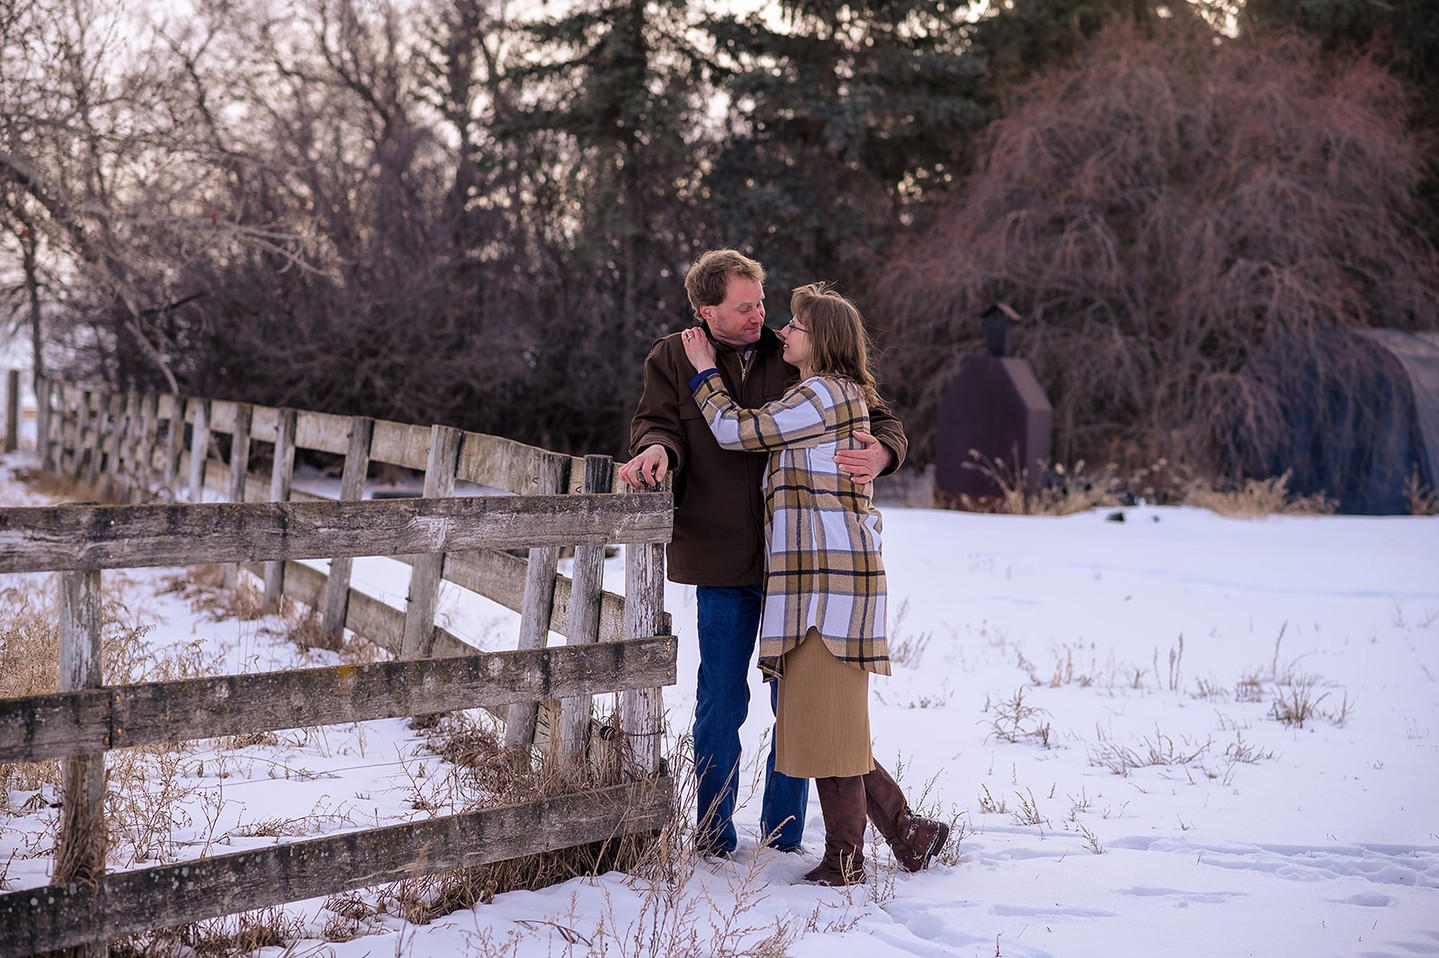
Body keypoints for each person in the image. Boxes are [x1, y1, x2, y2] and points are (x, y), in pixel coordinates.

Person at [619, 250, 908, 859]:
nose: (762, 318)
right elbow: (656, 424)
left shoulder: (795, 353)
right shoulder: (672, 357)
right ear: (707, 310)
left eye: (762, 303)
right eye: (745, 307)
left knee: (797, 708)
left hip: (795, 568)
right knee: (719, 702)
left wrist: (882, 453)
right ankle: (713, 835)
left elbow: (875, 414)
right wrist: (658, 451)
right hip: (721, 557)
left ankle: (784, 835)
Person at [676, 282, 949, 886]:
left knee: (827, 724)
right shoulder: (827, 394)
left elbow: (735, 431)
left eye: (795, 326)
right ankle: (907, 833)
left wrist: (704, 374)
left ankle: (846, 859)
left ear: (820, 339)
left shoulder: (821, 394)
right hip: (818, 585)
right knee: (827, 722)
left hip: (828, 586)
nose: (783, 331)